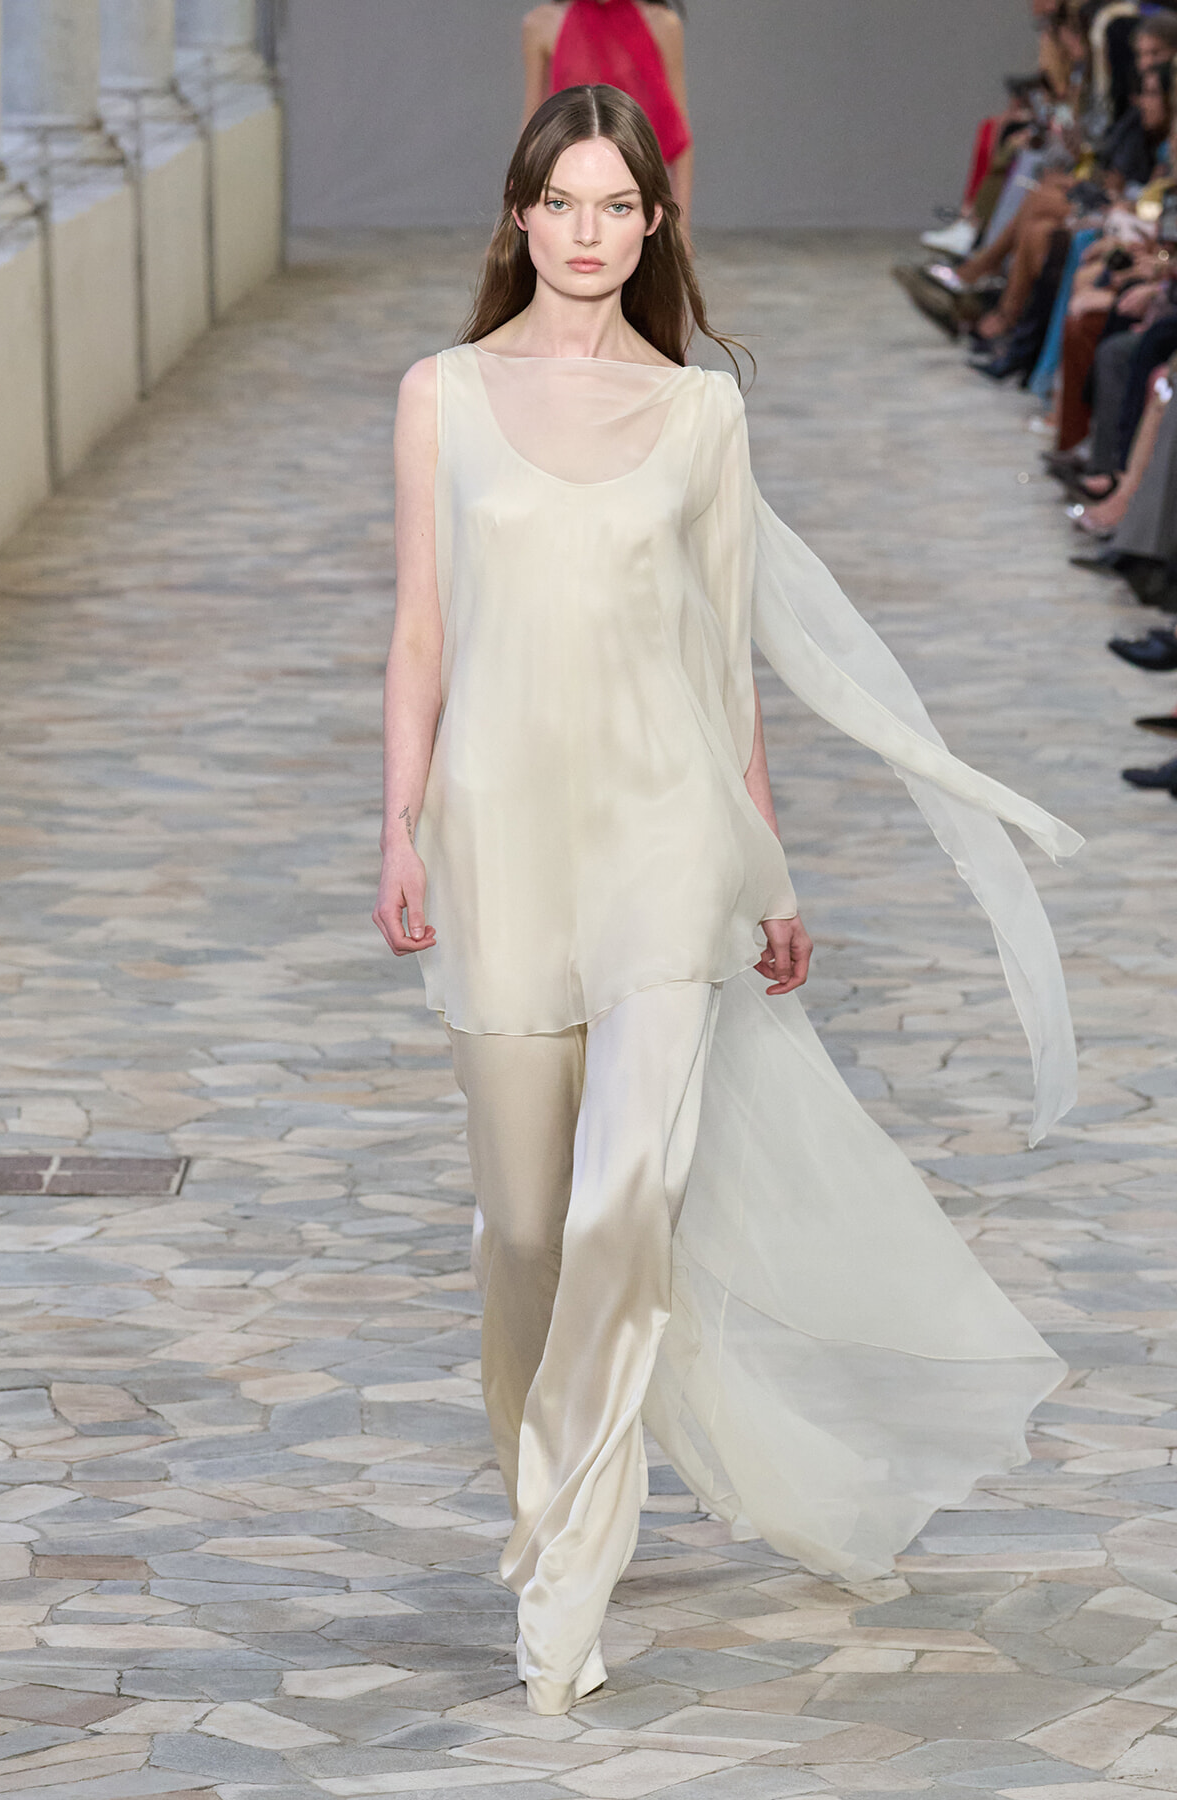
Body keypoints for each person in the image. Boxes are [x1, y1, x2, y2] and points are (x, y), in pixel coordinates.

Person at [374, 85, 1081, 1716]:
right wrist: (396, 829)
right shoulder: (440, 400)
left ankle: (567, 1574)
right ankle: (549, 1503)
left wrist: (763, 857)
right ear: (522, 216)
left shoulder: (701, 415)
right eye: (568, 205)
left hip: (661, 843)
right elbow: (419, 634)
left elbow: (726, 660)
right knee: (529, 1232)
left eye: (622, 208)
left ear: (653, 225)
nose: (594, 234)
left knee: (626, 1211)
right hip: (496, 839)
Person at [521, 0, 693, 220]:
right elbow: (532, 127)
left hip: (636, 191)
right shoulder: (541, 24)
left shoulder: (663, 25)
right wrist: (514, 214)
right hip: (568, 188)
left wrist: (681, 226)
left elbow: (678, 132)